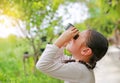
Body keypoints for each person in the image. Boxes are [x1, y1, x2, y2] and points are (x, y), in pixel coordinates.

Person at [36, 25, 109, 83]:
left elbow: (42, 65)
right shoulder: (80, 65)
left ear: (85, 51)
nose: (72, 38)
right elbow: (56, 59)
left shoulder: (80, 70)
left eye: (76, 37)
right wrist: (63, 43)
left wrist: (61, 39)